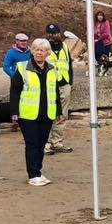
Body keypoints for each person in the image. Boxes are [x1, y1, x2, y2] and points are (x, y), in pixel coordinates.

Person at [9, 38, 60, 185]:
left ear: (47, 53)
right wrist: (14, 111)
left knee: (41, 143)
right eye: (36, 50)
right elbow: (15, 91)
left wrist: (58, 109)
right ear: (33, 51)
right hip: (28, 114)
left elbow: (55, 90)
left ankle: (38, 171)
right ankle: (33, 175)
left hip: (47, 113)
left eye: (42, 50)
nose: (39, 52)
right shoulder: (22, 67)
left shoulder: (52, 69)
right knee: (32, 144)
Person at [44, 24, 74, 155]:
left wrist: (69, 82)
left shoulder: (65, 47)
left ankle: (57, 142)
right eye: (49, 33)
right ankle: (46, 143)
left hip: (64, 85)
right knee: (47, 115)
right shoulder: (43, 48)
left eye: (54, 33)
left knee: (62, 115)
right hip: (49, 87)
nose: (51, 35)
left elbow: (69, 65)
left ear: (59, 34)